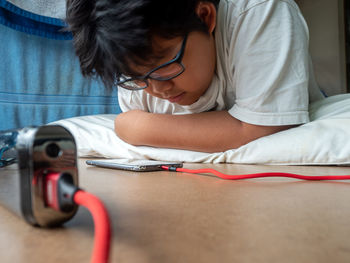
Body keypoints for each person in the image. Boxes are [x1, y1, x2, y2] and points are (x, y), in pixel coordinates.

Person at [66, 0, 324, 153]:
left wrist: (138, 127)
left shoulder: (257, 11)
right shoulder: (133, 65)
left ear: (205, 16)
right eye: (136, 77)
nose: (158, 89)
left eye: (164, 64)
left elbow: (265, 126)